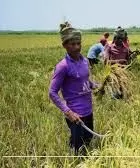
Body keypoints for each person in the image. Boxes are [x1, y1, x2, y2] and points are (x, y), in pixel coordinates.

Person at [49, 22, 98, 155]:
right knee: (77, 148)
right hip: (75, 115)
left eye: (79, 43)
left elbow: (85, 80)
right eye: (72, 44)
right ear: (64, 45)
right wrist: (68, 112)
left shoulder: (84, 61)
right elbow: (52, 92)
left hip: (88, 111)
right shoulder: (63, 66)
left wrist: (97, 86)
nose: (77, 47)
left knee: (88, 141)